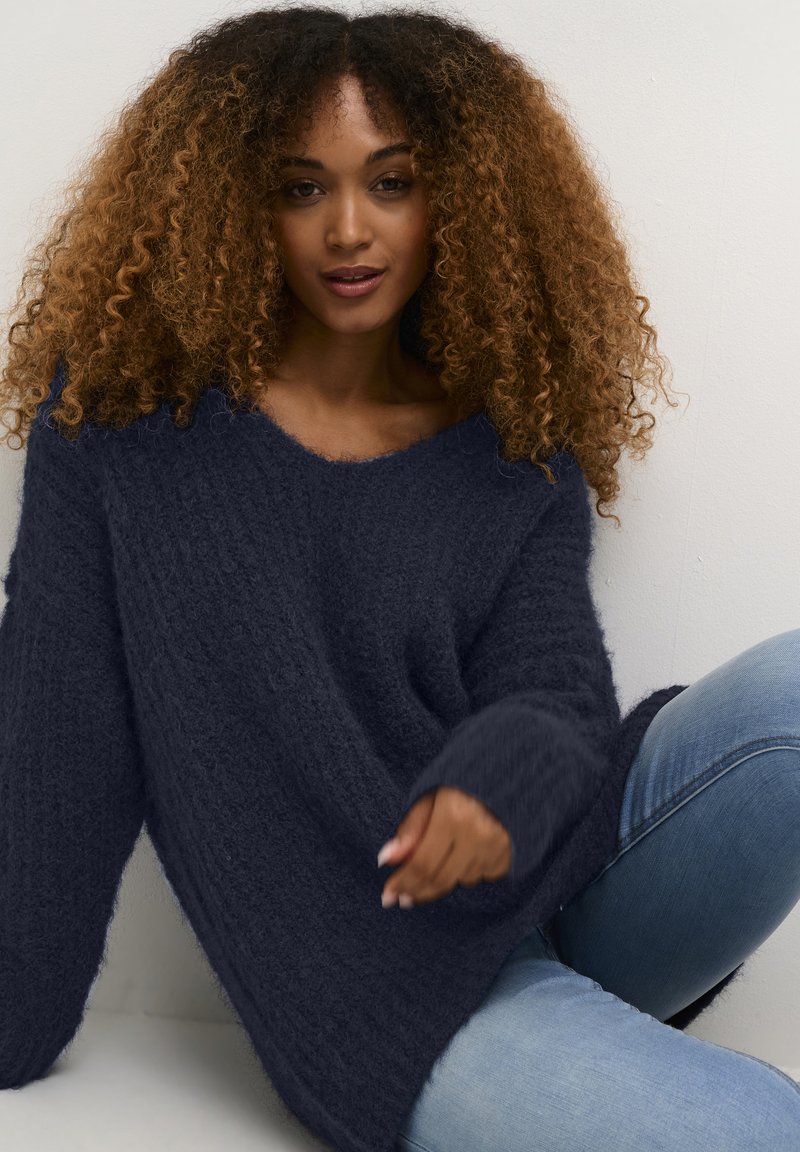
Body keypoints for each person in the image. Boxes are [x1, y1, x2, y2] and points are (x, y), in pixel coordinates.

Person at [0, 7, 798, 1151]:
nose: (347, 229)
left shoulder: (509, 446)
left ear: (456, 198)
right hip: (379, 991)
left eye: (391, 182)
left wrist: (494, 785)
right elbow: (59, 741)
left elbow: (555, 687)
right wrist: (14, 1023)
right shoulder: (124, 428)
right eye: (299, 188)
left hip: (561, 881)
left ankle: (595, 1025)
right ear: (236, 204)